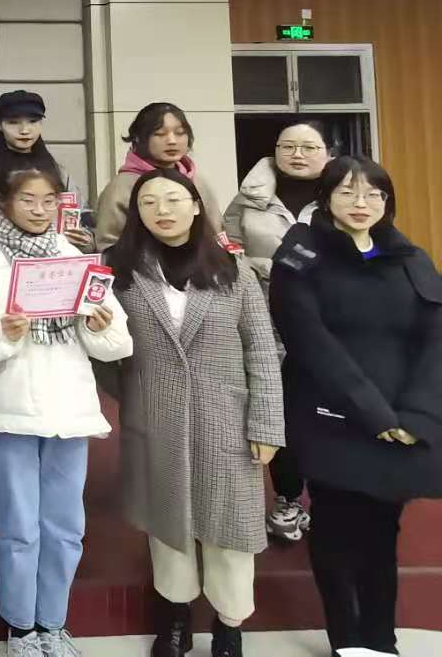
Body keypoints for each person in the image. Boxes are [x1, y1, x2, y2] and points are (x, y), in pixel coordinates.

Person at [0, 169, 132, 657]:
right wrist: (0, 329)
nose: (39, 209)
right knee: (19, 526)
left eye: (49, 200)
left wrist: (99, 325)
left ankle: (53, 622)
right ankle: (21, 627)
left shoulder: (73, 258)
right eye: (28, 199)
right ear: (3, 202)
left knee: (67, 526)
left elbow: (117, 340)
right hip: (8, 404)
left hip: (69, 405)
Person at [106, 169, 284, 657]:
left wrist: (266, 424)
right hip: (155, 420)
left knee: (230, 529)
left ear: (197, 205)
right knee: (168, 528)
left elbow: (262, 351)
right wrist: (139, 394)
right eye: (148, 203)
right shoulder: (120, 273)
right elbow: (106, 352)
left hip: (227, 418)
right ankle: (175, 620)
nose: (162, 211)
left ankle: (229, 626)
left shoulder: (234, 270)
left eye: (172, 199)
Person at [271, 157, 442, 657]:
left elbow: (435, 339)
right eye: (347, 192)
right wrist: (373, 412)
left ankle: (380, 639)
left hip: (402, 417)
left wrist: (416, 415)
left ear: (387, 201)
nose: (360, 203)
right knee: (337, 527)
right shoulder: (302, 254)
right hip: (332, 415)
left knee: (382, 529)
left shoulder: (409, 257)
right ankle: (348, 640)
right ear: (325, 199)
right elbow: (308, 339)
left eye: (373, 194)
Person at [221, 120, 331, 543]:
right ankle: (288, 498)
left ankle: (331, 497)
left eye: (308, 147)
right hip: (266, 315)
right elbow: (228, 250)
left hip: (327, 317)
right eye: (288, 146)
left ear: (328, 153)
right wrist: (268, 268)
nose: (297, 154)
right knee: (276, 407)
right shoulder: (250, 198)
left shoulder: (342, 192)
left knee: (327, 408)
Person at [0, 91, 89, 252]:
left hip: (54, 257)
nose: (24, 130)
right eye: (13, 122)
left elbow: (83, 217)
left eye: (33, 121)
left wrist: (83, 240)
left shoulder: (58, 173)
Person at [94, 102, 222, 252]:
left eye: (180, 133)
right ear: (139, 138)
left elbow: (218, 234)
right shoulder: (122, 186)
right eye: (160, 134)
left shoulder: (197, 181)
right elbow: (107, 244)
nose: (172, 141)